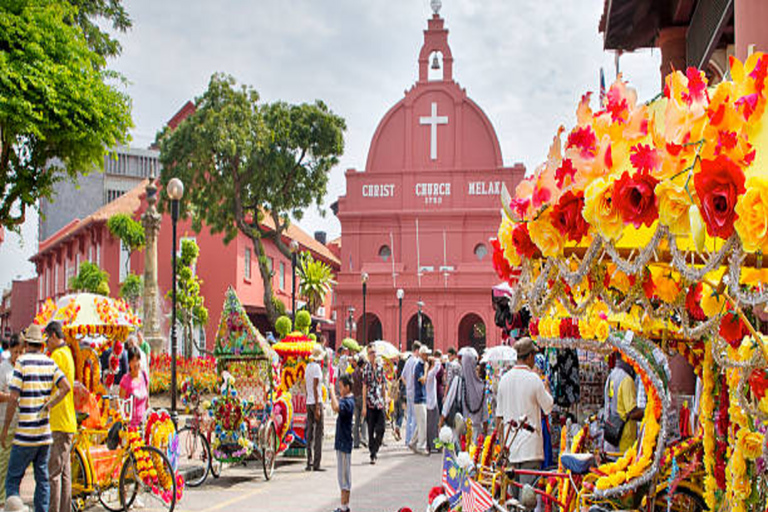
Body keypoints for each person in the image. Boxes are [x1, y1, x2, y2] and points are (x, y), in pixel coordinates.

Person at [2, 324, 71, 512]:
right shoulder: (50, 362)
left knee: (12, 481)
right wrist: (50, 403)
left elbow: (14, 398)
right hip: (44, 436)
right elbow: (65, 387)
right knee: (42, 481)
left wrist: (5, 428)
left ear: (27, 344)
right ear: (41, 344)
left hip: (25, 434)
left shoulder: (22, 362)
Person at [496, 337, 554, 496]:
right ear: (529, 357)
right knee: (527, 500)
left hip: (510, 448)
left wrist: (502, 447)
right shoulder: (534, 379)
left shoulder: (504, 380)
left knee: (513, 499)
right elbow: (548, 407)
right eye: (533, 356)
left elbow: (499, 418)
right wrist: (547, 387)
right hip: (530, 449)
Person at [44, 321, 76, 512]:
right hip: (67, 421)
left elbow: (49, 385)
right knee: (64, 474)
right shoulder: (68, 354)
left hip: (59, 421)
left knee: (54, 474)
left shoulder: (56, 355)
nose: (46, 342)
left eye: (47, 338)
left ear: (54, 336)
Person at [441, 350, 487, 442]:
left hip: (461, 431)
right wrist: (485, 433)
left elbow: (447, 404)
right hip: (476, 433)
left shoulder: (458, 381)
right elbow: (485, 414)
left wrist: (440, 422)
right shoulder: (482, 386)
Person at [603, 353, 642, 454]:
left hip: (611, 438)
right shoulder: (626, 380)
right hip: (623, 442)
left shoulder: (612, 375)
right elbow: (632, 412)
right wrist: (648, 413)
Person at [0, 335, 22, 506]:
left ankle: (13, 499)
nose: (18, 355)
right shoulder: (4, 369)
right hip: (4, 422)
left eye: (20, 352)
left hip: (19, 424)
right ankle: (2, 500)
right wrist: (11, 397)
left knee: (15, 466)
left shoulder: (21, 369)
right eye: (15, 352)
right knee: (3, 464)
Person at [330, 373, 355, 512]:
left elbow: (335, 407)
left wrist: (332, 392)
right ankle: (343, 506)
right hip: (341, 442)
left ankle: (344, 507)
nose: (339, 389)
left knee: (344, 477)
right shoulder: (346, 400)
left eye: (341, 387)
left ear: (347, 387)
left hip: (345, 443)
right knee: (341, 475)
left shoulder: (349, 402)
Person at [362, 346, 387, 464]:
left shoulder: (380, 368)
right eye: (371, 353)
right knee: (370, 429)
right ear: (368, 355)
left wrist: (385, 399)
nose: (373, 355)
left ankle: (375, 448)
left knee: (381, 428)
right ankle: (373, 453)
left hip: (379, 402)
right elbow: (364, 387)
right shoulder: (366, 369)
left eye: (374, 352)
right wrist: (363, 406)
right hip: (370, 402)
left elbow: (383, 384)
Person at [119, 345, 149, 428]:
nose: (136, 364)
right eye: (133, 360)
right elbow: (121, 404)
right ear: (129, 363)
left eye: (137, 360)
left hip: (143, 424)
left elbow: (147, 402)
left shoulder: (144, 376)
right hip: (130, 427)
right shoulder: (125, 380)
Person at [305, 345, 324, 471]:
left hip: (309, 402)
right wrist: (317, 406)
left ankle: (309, 461)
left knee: (310, 432)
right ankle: (316, 463)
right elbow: (315, 387)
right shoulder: (317, 368)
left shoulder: (307, 367)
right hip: (316, 401)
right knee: (318, 434)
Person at [409, 346, 429, 455]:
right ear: (421, 354)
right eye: (425, 354)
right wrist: (426, 369)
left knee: (420, 423)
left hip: (421, 398)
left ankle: (413, 442)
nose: (427, 356)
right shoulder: (419, 366)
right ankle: (421, 446)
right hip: (419, 399)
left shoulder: (420, 365)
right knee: (423, 423)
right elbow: (422, 380)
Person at [401, 341, 421, 446]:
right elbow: (415, 376)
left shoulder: (408, 360)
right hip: (414, 391)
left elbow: (402, 376)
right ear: (417, 350)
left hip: (408, 390)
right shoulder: (416, 361)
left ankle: (407, 439)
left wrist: (407, 385)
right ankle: (412, 440)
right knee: (415, 416)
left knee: (409, 415)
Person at [426, 350, 442, 453]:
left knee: (431, 425)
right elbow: (438, 365)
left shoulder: (427, 374)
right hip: (431, 402)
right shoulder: (430, 374)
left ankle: (431, 444)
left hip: (430, 401)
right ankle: (433, 445)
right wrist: (435, 359)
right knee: (433, 425)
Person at [351, 356, 367, 449]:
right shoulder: (363, 373)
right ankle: (364, 438)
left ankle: (356, 442)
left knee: (356, 420)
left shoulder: (353, 373)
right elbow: (364, 386)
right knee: (364, 419)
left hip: (355, 397)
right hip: (362, 397)